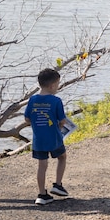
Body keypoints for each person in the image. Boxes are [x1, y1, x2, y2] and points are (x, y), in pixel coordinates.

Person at [24, 67, 71, 206]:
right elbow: (62, 121)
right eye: (57, 85)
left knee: (42, 165)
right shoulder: (56, 101)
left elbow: (27, 119)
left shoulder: (32, 100)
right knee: (62, 157)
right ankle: (57, 184)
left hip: (38, 139)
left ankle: (41, 194)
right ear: (52, 86)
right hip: (54, 137)